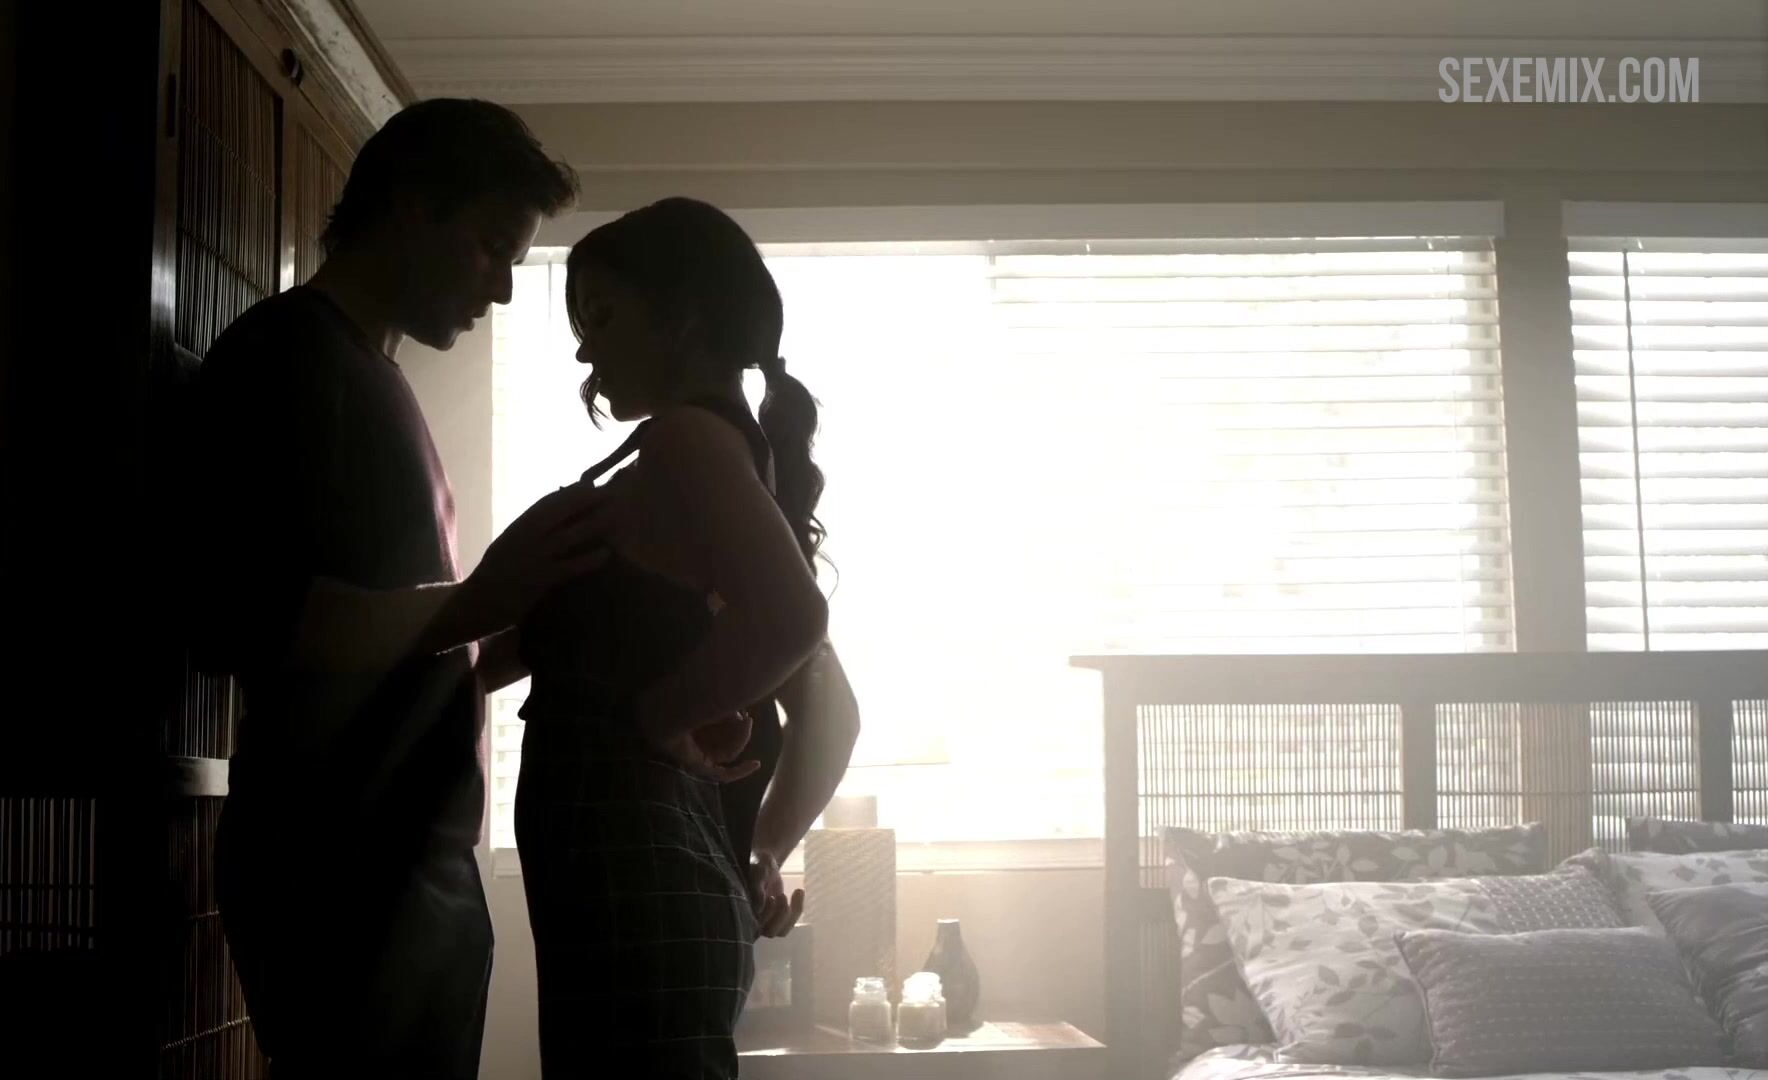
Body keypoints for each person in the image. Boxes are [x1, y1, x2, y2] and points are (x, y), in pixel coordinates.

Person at [185, 99, 598, 1080]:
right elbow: (246, 619)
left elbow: (396, 658)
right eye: (491, 247)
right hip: (338, 878)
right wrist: (487, 596)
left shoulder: (374, 377)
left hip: (410, 879)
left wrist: (529, 629)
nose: (503, 288)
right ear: (413, 208)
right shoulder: (285, 359)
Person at [509, 197, 861, 1078]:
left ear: (684, 319)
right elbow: (833, 705)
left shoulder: (686, 443)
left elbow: (796, 622)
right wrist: (761, 851)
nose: (585, 351)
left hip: (635, 882)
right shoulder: (706, 455)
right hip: (647, 882)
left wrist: (658, 718)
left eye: (602, 317)